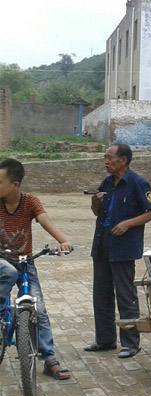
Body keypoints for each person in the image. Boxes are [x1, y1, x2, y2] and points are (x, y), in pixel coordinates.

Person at [0, 158, 73, 381]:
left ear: (15, 185)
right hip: (1, 260)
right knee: (9, 274)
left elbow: (44, 220)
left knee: (38, 308)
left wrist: (63, 240)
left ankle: (49, 358)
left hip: (25, 261)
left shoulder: (30, 201)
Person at [86, 143, 151, 358]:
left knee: (125, 296)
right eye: (105, 158)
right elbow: (96, 212)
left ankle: (130, 343)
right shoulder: (107, 182)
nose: (106, 162)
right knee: (101, 295)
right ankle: (105, 340)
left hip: (124, 248)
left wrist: (128, 223)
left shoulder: (137, 182)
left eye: (109, 158)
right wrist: (94, 203)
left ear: (123, 160)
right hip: (102, 245)